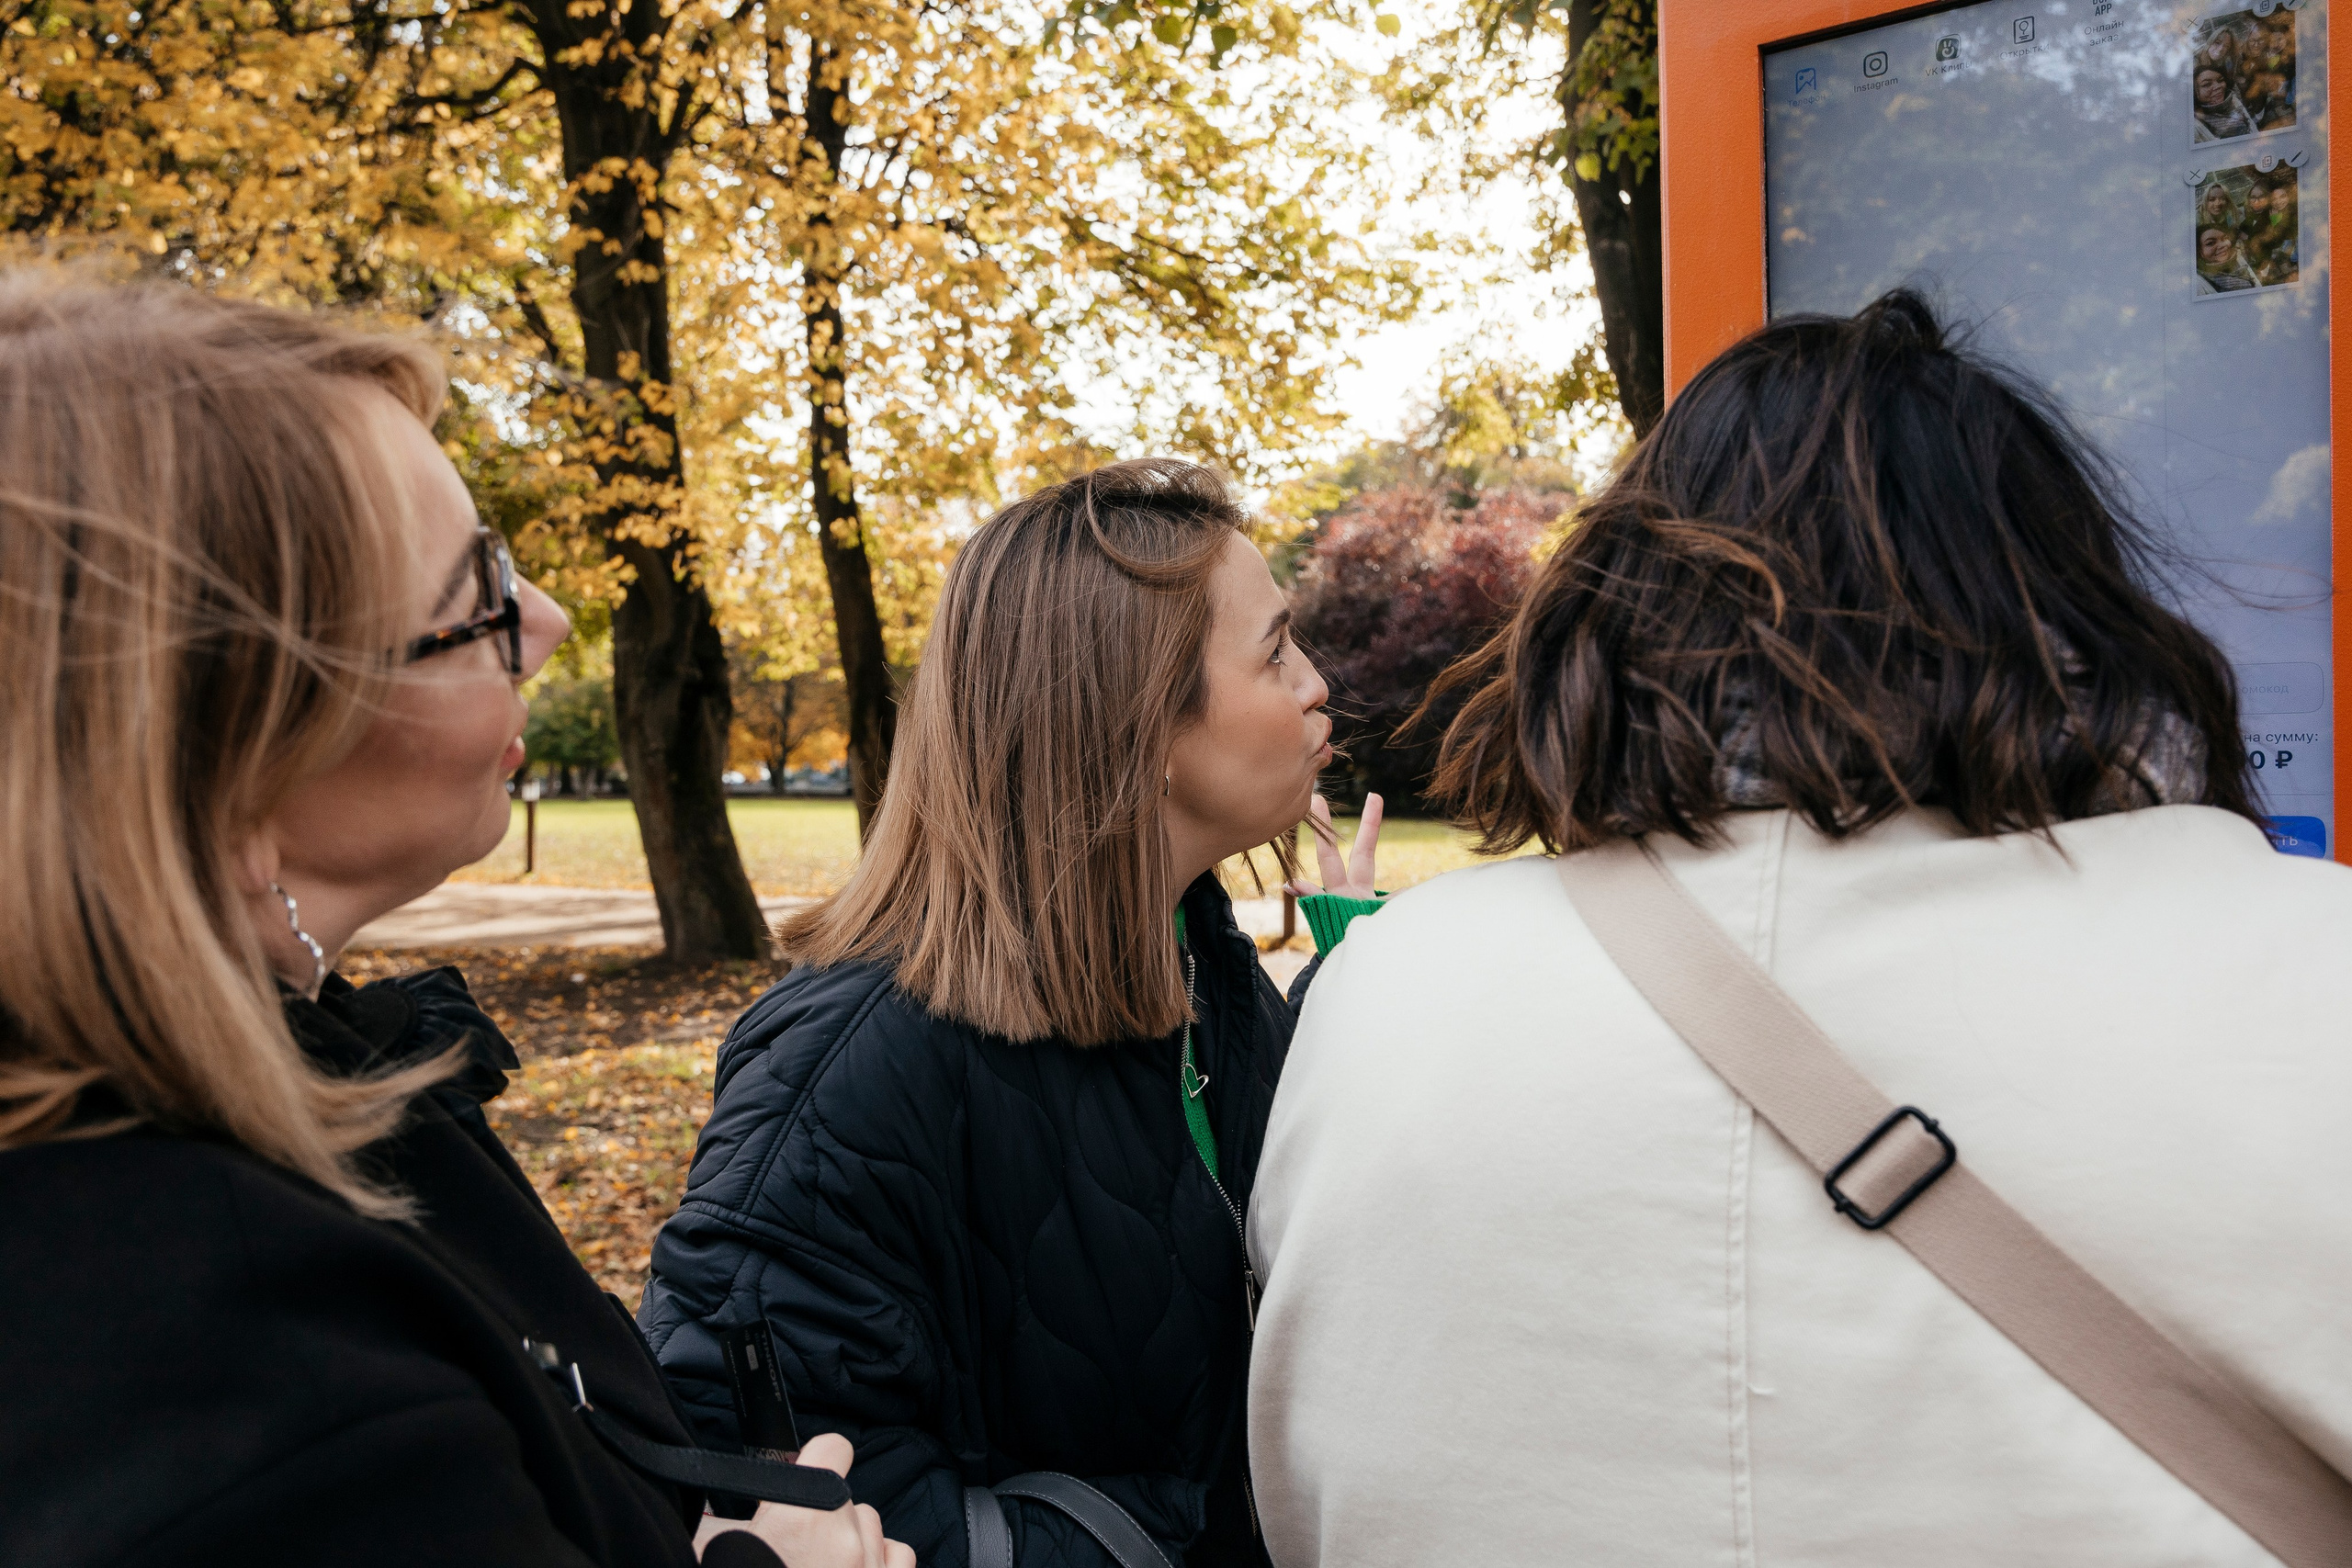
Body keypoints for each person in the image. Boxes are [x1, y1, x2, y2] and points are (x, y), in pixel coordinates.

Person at [1245, 289, 2352, 1563]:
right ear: (2063, 601)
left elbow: (1305, 1485)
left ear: (1611, 605)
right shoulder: (2310, 974)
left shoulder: (1383, 998)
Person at [0, 273, 910, 1568]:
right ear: (229, 764)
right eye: (477, 596)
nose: (544, 625)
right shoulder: (233, 1374)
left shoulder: (290, 1099)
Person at [638, 460, 1384, 1568]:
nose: (1317, 682)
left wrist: (1352, 972)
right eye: (1275, 650)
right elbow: (773, 1486)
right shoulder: (845, 1069)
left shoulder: (1199, 968)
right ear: (1138, 718)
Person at [2198, 223, 2257, 291]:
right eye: (2210, 243)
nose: (2222, 245)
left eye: (2224, 238)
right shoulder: (2199, 284)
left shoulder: (2239, 261)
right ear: (2200, 252)